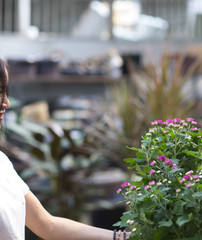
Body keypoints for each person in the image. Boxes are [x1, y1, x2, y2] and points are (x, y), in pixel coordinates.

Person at [0, 58, 129, 240]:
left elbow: (48, 225)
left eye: (6, 92)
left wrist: (122, 237)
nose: (6, 103)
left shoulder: (2, 163)